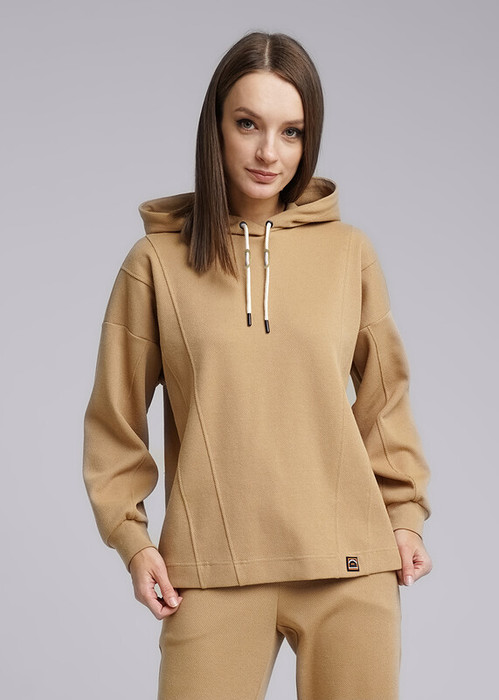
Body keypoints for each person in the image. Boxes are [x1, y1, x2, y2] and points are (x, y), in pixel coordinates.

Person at [83, 30, 432, 700]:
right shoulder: (155, 264)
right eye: (248, 124)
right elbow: (113, 420)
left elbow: (385, 404)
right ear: (215, 128)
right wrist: (133, 541)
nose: (270, 152)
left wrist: (404, 517)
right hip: (211, 569)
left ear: (308, 139)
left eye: (291, 131)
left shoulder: (348, 254)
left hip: (350, 566)